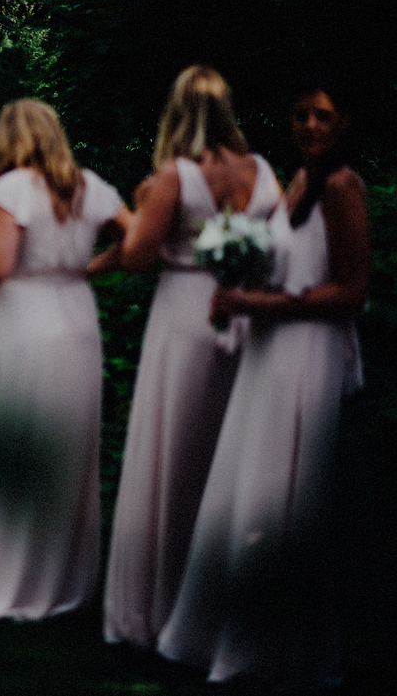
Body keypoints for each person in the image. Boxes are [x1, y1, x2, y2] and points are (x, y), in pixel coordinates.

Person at [157, 78, 368, 688]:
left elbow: (351, 290)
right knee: (247, 484)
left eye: (323, 116)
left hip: (308, 351)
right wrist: (242, 285)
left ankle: (277, 650)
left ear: (343, 123)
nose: (309, 125)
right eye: (301, 113)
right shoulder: (299, 183)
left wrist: (259, 303)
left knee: (285, 493)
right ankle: (224, 635)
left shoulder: (344, 187)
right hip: (269, 349)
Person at [103, 67, 283, 648]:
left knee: (173, 460)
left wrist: (141, 204)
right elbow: (278, 248)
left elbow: (136, 258)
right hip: (248, 318)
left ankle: (158, 611)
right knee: (228, 462)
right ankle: (223, 611)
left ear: (176, 111)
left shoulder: (177, 176)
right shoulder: (261, 172)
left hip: (185, 318)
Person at [0, 99, 130, 621]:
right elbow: (138, 238)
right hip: (77, 317)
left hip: (24, 322)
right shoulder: (90, 186)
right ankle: (68, 579)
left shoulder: (10, 189)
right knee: (70, 448)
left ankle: (15, 580)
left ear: (10, 138)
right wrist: (88, 267)